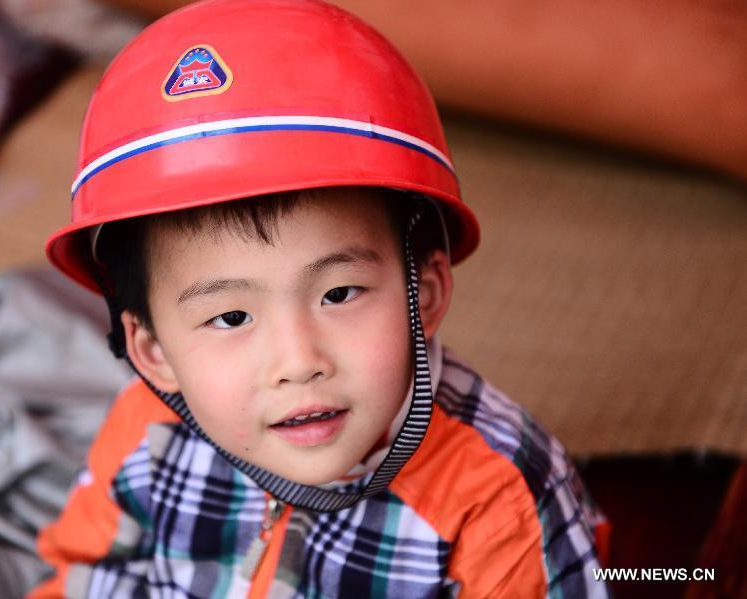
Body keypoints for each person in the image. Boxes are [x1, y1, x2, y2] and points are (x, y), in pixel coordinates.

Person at [32, 0, 610, 596]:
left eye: (339, 293)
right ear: (155, 354)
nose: (299, 361)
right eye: (231, 316)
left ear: (427, 294)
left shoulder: (499, 498)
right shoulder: (146, 434)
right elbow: (82, 578)